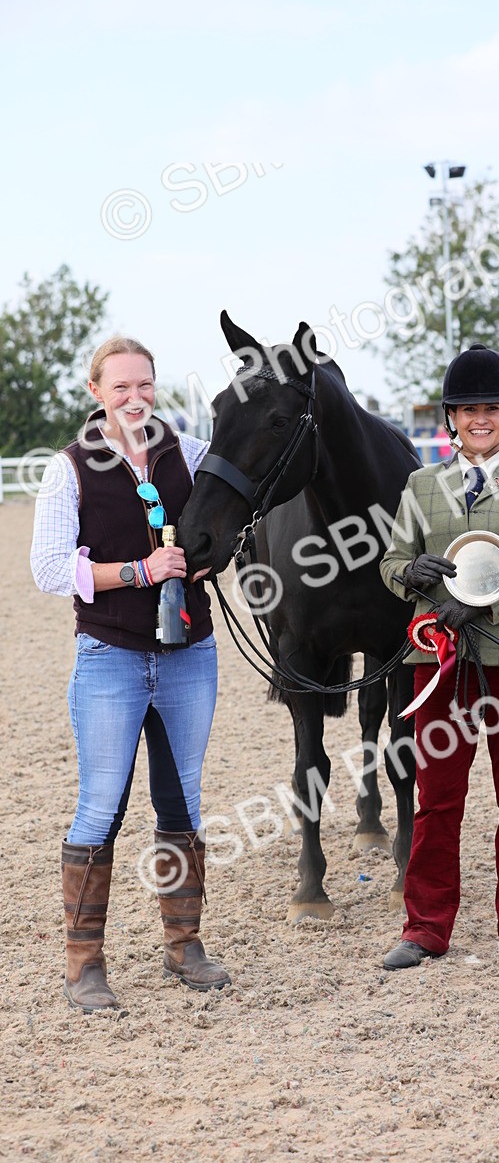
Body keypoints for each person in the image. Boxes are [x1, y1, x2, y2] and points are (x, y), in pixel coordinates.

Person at [30, 336, 230, 1012]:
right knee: (101, 806)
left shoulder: (191, 454)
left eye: (144, 385)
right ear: (96, 394)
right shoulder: (71, 469)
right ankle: (84, 964)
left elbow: (221, 524)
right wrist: (140, 573)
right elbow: (50, 569)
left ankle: (185, 946)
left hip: (188, 657)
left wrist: (207, 558)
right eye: (120, 388)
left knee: (182, 804)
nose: (135, 398)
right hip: (109, 657)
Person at [378, 343, 499, 969]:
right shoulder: (419, 486)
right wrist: (413, 571)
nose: (478, 419)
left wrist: (488, 606)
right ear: (450, 418)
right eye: (467, 410)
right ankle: (425, 927)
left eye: (491, 408)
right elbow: (388, 565)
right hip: (438, 662)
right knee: (437, 796)